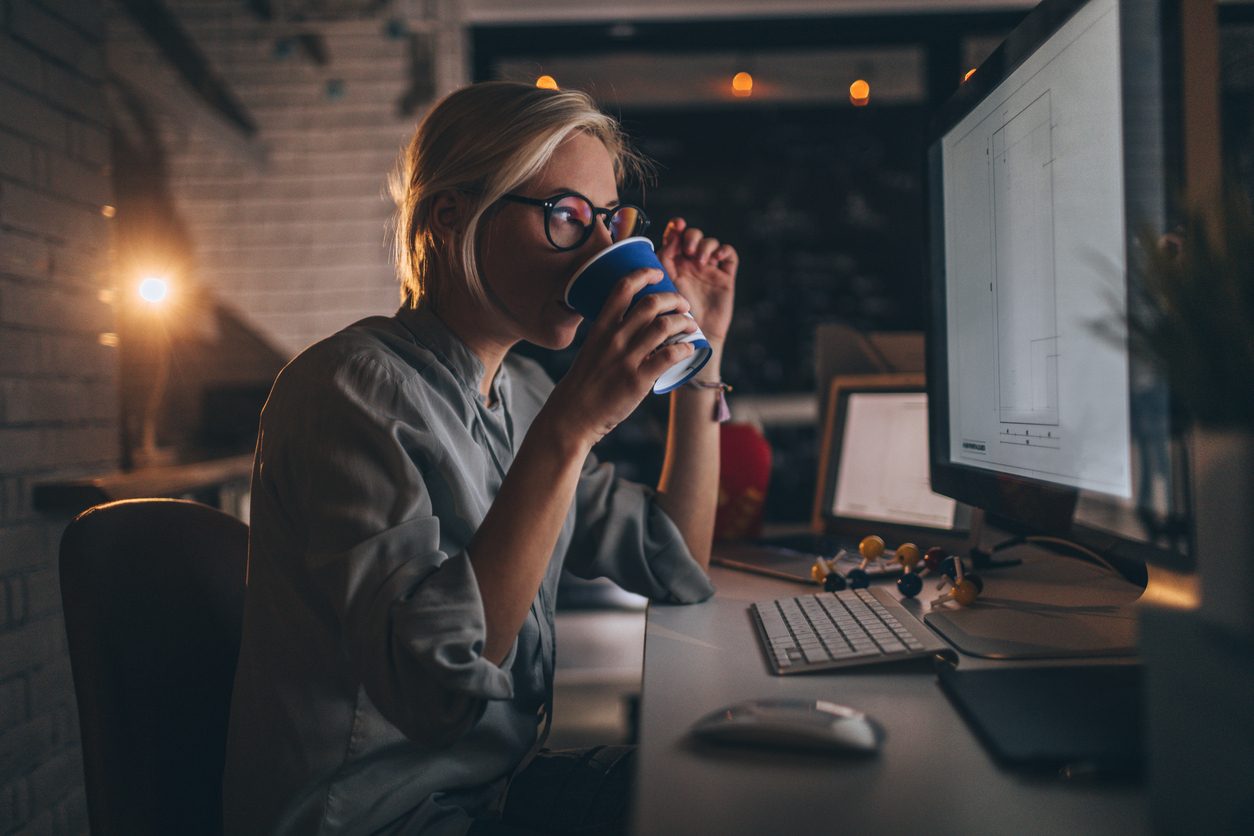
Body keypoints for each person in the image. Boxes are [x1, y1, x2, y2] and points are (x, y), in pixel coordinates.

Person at [222, 80, 739, 835]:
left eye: (608, 219)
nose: (601, 248)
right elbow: (435, 692)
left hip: (492, 793)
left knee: (733, 786)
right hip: (377, 820)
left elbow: (674, 560)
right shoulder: (348, 391)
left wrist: (701, 360)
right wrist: (573, 428)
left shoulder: (524, 391)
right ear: (450, 219)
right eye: (566, 216)